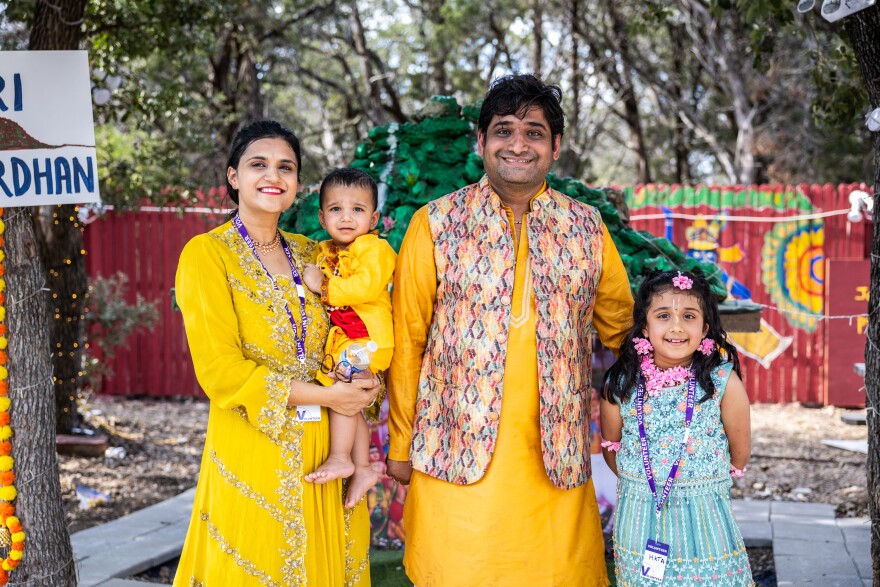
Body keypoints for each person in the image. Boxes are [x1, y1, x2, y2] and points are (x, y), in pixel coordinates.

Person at [386, 73, 635, 586]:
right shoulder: (435, 223)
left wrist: (695, 379)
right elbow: (407, 341)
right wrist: (400, 445)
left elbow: (627, 335)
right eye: (503, 130)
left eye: (534, 132)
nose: (517, 144)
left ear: (556, 146)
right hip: (454, 452)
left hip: (556, 458)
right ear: (481, 142)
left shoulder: (587, 228)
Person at [173, 120, 380, 586]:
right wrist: (330, 398)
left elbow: (358, 325)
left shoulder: (316, 253)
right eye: (258, 164)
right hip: (254, 444)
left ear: (298, 185)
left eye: (286, 166)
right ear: (233, 177)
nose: (274, 175)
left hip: (330, 448)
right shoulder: (207, 255)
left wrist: (365, 381)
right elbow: (221, 371)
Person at [600, 270, 754, 586]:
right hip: (641, 516)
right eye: (663, 315)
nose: (676, 326)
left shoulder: (722, 383)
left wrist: (699, 482)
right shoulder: (622, 383)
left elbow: (739, 455)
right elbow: (612, 448)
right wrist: (644, 482)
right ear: (645, 326)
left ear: (705, 327)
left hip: (704, 516)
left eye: (688, 316)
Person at [302, 167, 396, 509]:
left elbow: (365, 286)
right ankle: (365, 467)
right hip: (348, 339)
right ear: (322, 216)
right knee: (351, 400)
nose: (346, 217)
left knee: (342, 390)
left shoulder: (374, 249)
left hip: (368, 337)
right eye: (336, 209)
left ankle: (341, 457)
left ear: (373, 218)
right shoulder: (324, 250)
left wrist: (323, 285)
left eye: (357, 209)